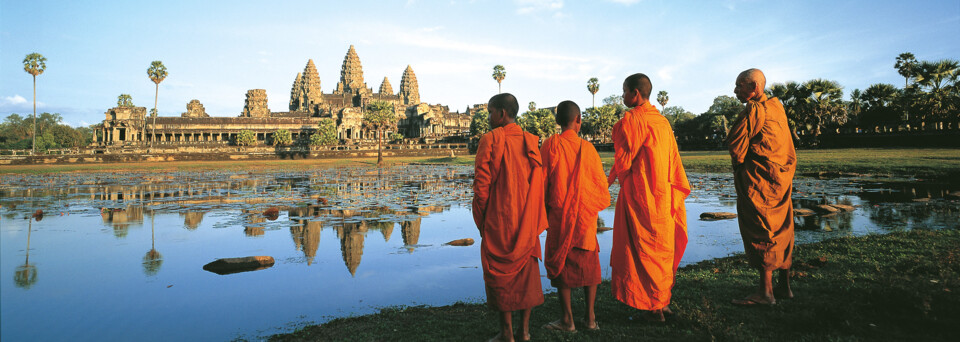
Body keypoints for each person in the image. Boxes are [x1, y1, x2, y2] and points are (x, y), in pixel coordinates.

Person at [608, 73, 691, 322]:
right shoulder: (662, 122)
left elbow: (623, 162)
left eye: (624, 91)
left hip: (641, 196)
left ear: (635, 94)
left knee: (643, 250)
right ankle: (663, 302)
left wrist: (609, 180)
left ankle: (654, 308)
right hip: (663, 196)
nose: (623, 96)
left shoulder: (632, 120)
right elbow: (674, 163)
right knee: (661, 248)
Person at [473, 93, 548, 342]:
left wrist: (482, 220)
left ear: (501, 113)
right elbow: (539, 183)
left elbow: (481, 186)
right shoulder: (530, 141)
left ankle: (507, 332)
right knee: (526, 274)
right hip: (527, 218)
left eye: (490, 112)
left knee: (499, 273)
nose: (489, 117)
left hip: (499, 217)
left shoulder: (490, 139)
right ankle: (524, 331)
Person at [726, 68, 797, 306]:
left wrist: (742, 168)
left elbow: (736, 147)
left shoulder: (754, 110)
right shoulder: (777, 107)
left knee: (762, 229)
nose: (735, 90)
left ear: (753, 88)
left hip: (760, 181)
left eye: (739, 86)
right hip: (781, 178)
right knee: (784, 227)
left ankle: (766, 293)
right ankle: (784, 286)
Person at [540, 100, 610, 333]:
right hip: (585, 217)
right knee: (589, 265)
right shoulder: (588, 149)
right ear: (579, 120)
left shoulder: (551, 145)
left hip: (560, 216)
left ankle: (568, 320)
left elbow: (541, 182)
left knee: (562, 267)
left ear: (558, 121)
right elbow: (600, 185)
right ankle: (590, 319)